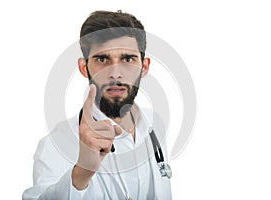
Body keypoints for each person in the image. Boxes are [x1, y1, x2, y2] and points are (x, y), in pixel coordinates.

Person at [23, 10, 172, 200]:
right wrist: (81, 173)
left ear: (144, 67)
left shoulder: (154, 124)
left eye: (128, 59)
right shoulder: (55, 145)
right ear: (84, 68)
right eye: (102, 59)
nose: (115, 73)